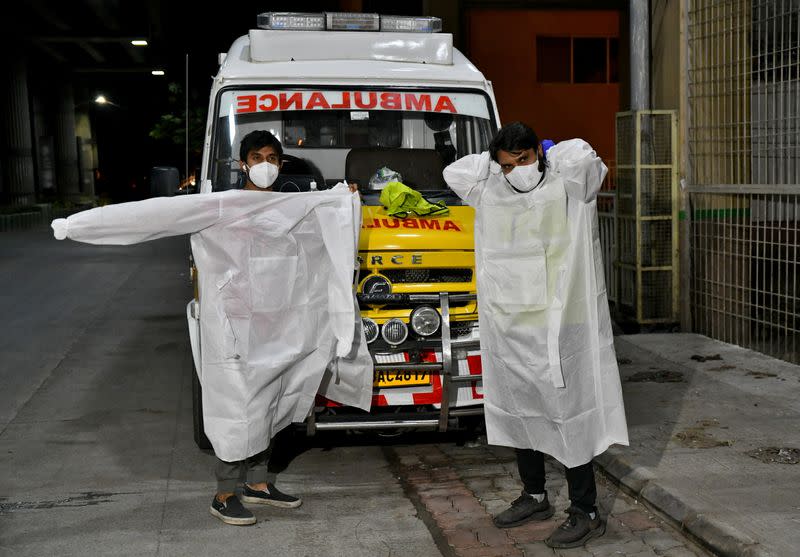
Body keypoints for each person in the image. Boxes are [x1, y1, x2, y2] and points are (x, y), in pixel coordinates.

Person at [51, 130, 373, 527]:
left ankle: (257, 484)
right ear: (243, 163)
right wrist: (80, 225)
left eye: (273, 156)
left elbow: (333, 226)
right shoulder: (222, 206)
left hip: (281, 330)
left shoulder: (296, 207)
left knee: (273, 403)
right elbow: (155, 215)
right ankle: (224, 494)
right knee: (237, 408)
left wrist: (345, 198)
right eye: (258, 157)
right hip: (235, 329)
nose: (266, 164)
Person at [442, 122, 629, 549]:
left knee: (569, 414)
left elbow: (588, 162)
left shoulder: (568, 183)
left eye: (523, 161)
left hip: (562, 326)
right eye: (506, 165)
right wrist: (495, 168)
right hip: (512, 325)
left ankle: (586, 510)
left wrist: (552, 153)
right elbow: (454, 174)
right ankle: (534, 495)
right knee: (522, 410)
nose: (515, 172)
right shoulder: (491, 187)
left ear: (538, 155)